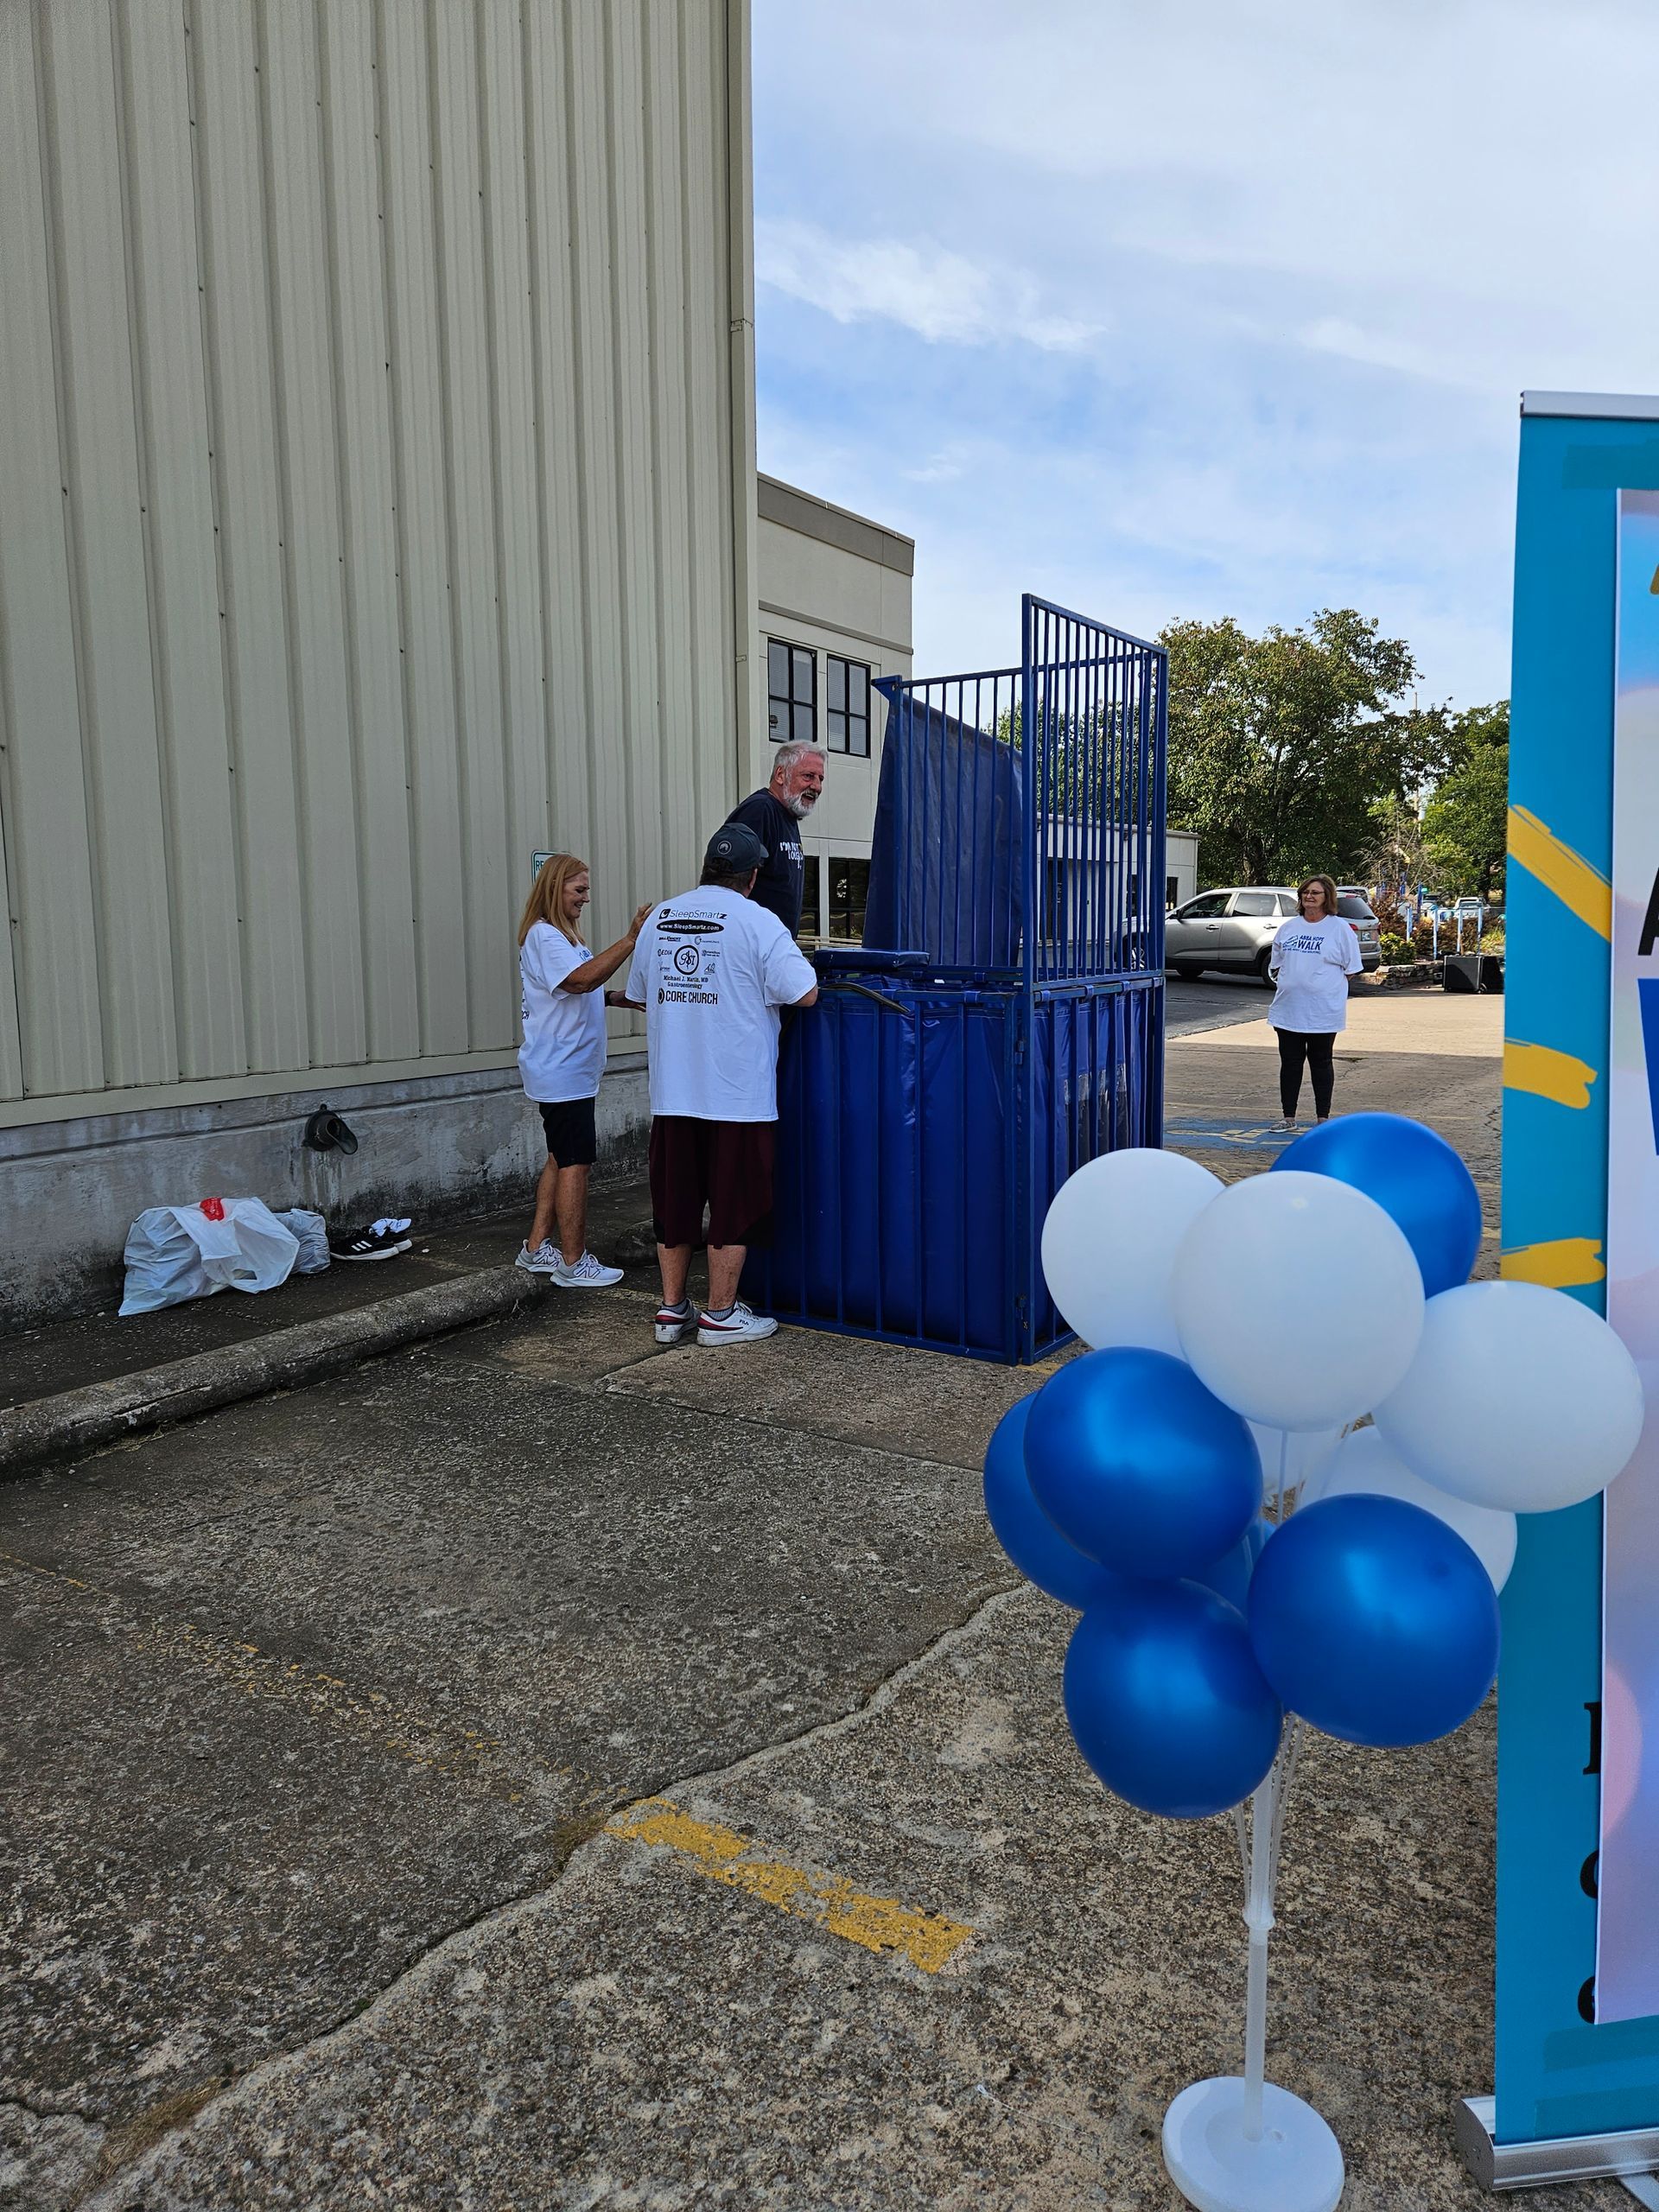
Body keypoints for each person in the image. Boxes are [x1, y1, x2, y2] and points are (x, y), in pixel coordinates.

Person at [620, 822, 818, 1346]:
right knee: (734, 1204)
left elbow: (641, 993)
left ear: (706, 868)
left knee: (675, 1202)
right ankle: (721, 1313)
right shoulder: (760, 923)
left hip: (673, 1091)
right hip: (737, 1095)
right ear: (753, 877)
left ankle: (671, 1310)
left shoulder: (662, 916)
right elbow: (804, 993)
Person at [515, 854, 652, 1286]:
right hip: (562, 1070)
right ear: (556, 889)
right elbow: (577, 982)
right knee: (575, 1163)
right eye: (579, 890)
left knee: (559, 1158)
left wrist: (615, 998)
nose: (586, 898)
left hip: (567, 1069)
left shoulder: (562, 937)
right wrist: (630, 939)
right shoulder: (545, 937)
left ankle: (536, 1249)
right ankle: (573, 1263)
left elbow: (574, 989)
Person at [1267, 874, 1362, 1131]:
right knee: (1291, 1063)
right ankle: (1288, 1118)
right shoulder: (1289, 927)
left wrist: (1322, 984)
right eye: (1305, 892)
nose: (1309, 896)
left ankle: (1322, 1120)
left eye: (1315, 893)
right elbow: (1277, 963)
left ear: (1326, 897)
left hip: (1322, 1011)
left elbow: (1351, 968)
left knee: (1321, 1062)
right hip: (1289, 1009)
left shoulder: (1339, 928)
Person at [722, 741, 826, 935]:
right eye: (808, 776)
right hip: (752, 948)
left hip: (775, 948)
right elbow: (727, 884)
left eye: (821, 779)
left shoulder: (788, 816)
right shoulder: (759, 810)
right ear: (780, 775)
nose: (817, 786)